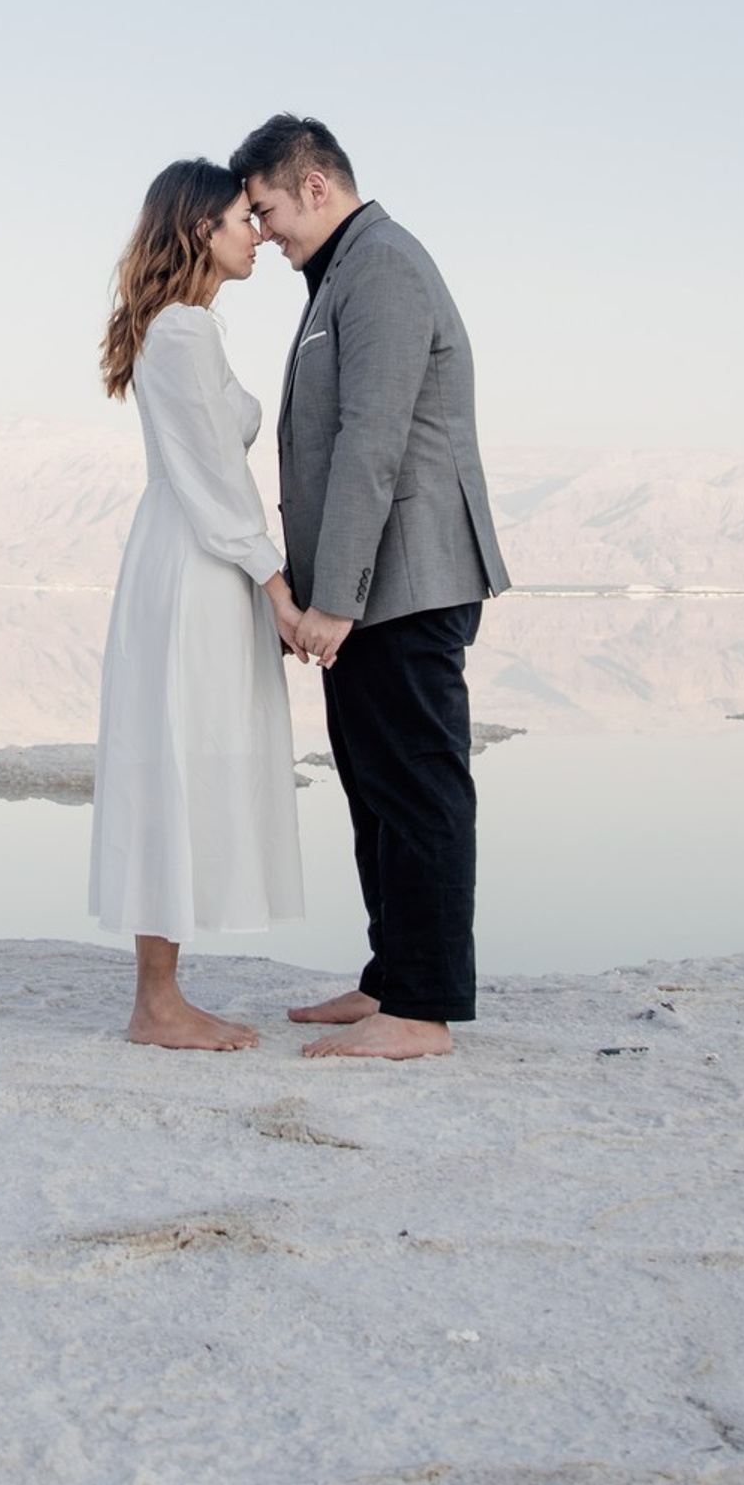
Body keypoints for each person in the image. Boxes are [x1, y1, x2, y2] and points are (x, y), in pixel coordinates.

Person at [231, 114, 508, 1060]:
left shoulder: (381, 264)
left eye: (266, 209)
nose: (262, 232)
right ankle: (391, 977)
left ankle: (422, 1012)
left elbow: (372, 443)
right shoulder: (340, 275)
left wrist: (333, 599)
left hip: (405, 581)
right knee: (375, 785)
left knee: (420, 787)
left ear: (314, 186)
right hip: (367, 586)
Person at [90, 158, 306, 1049]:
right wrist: (277, 585)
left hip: (190, 553)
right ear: (197, 232)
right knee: (175, 759)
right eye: (238, 219)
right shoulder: (183, 333)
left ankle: (162, 994)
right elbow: (217, 477)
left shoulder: (184, 328)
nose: (255, 231)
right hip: (197, 561)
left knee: (177, 758)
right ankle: (158, 1001)